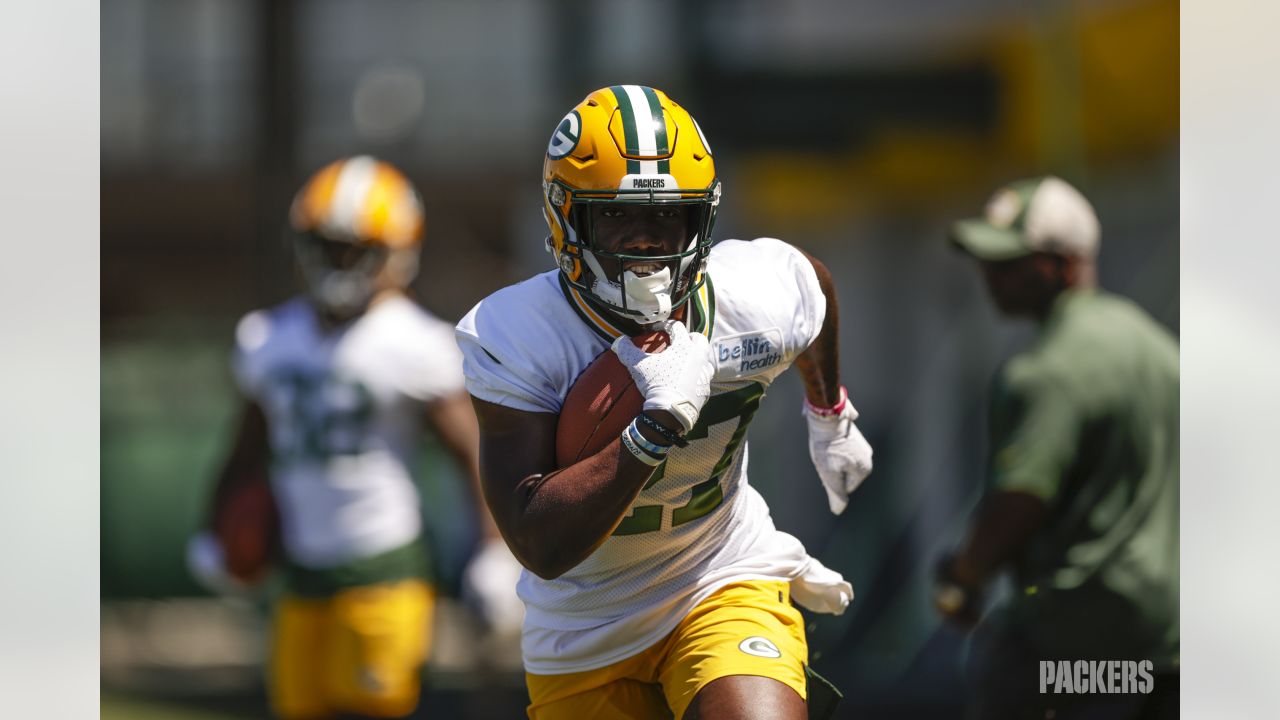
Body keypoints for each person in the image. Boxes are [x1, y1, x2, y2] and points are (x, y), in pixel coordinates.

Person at [454, 85, 874, 720]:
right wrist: (653, 428)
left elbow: (813, 282)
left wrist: (831, 414)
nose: (647, 241)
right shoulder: (516, 334)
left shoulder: (749, 299)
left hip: (719, 572)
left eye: (666, 216)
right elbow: (540, 543)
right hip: (585, 619)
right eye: (618, 217)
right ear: (565, 217)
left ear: (700, 219)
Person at [186, 155, 521, 719]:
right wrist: (217, 526)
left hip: (383, 572)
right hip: (299, 578)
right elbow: (245, 448)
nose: (337, 264)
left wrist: (495, 552)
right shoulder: (271, 339)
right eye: (326, 246)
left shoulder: (414, 344)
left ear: (396, 253)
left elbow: (475, 452)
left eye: (354, 249)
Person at [936, 176, 1179, 719]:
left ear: (1064, 263)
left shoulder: (1044, 372)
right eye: (986, 262)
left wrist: (963, 576)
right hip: (1172, 648)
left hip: (1076, 652)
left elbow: (1020, 500)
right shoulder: (1159, 349)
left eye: (1009, 263)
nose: (990, 278)